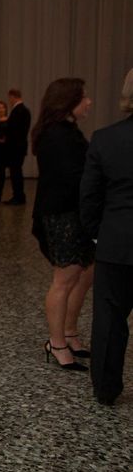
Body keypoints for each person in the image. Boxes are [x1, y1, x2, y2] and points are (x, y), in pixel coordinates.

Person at [31, 78, 95, 371]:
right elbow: (71, 180)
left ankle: (69, 333)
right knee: (65, 278)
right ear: (69, 101)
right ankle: (56, 343)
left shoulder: (65, 132)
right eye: (84, 97)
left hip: (73, 214)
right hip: (62, 216)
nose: (89, 102)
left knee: (81, 274)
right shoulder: (57, 135)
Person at [80, 68, 133, 404]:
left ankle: (106, 388)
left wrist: (97, 236)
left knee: (110, 320)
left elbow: (89, 197)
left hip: (118, 242)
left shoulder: (106, 138)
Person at [4, 88, 32, 204]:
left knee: (15, 172)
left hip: (15, 147)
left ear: (13, 96)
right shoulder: (25, 110)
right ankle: (19, 195)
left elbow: (14, 130)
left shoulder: (18, 111)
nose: (9, 101)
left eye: (9, 98)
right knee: (17, 171)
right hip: (19, 146)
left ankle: (18, 196)